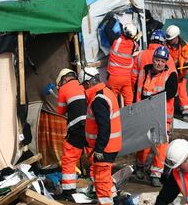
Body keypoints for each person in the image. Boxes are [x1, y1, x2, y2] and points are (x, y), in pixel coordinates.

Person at [135, 46, 178, 187]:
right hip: (145, 113)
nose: (159, 63)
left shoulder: (170, 75)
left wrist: (152, 98)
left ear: (166, 62)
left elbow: (170, 93)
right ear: (153, 59)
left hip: (163, 116)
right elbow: (138, 91)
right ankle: (139, 166)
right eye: (157, 60)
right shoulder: (145, 72)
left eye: (162, 61)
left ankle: (156, 174)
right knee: (144, 143)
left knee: (160, 146)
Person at [82, 67, 123, 205]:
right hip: (110, 145)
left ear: (88, 83)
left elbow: (104, 127)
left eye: (84, 85)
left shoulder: (98, 99)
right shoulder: (106, 92)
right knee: (103, 175)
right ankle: (114, 197)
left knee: (101, 179)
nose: (83, 88)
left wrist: (99, 149)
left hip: (105, 148)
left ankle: (107, 202)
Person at [55, 68, 87, 200]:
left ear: (63, 79)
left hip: (77, 128)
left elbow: (60, 111)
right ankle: (100, 188)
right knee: (94, 158)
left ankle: (68, 192)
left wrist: (60, 94)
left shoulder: (64, 89)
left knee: (69, 158)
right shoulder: (84, 85)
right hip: (91, 126)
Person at [106, 23, 139, 106]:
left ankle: (113, 117)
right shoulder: (134, 45)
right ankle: (131, 117)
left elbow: (107, 29)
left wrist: (112, 19)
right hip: (126, 78)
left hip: (113, 77)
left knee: (111, 100)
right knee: (129, 101)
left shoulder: (116, 41)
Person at [166, 25, 188, 120]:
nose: (169, 40)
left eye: (171, 39)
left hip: (180, 74)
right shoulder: (165, 45)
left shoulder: (185, 46)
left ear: (176, 37)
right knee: (168, 93)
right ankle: (167, 111)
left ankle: (186, 112)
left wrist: (180, 64)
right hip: (169, 74)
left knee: (182, 93)